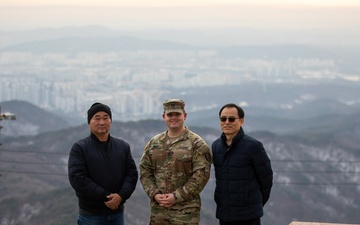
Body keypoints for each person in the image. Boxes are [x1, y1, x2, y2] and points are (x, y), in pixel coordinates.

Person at [139, 98, 212, 225]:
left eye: (177, 114)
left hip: (185, 212)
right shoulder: (154, 143)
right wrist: (154, 194)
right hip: (159, 210)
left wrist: (176, 197)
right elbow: (145, 171)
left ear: (184, 115)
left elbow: (201, 177)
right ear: (164, 116)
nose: (174, 118)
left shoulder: (197, 144)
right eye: (170, 115)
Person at [68, 102, 138, 225]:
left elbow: (131, 174)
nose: (102, 122)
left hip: (117, 213)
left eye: (106, 118)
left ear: (110, 121)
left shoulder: (123, 146)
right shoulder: (80, 148)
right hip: (91, 215)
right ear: (89, 121)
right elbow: (78, 179)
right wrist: (106, 197)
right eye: (97, 118)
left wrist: (121, 196)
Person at [212, 103, 273, 225]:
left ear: (241, 121)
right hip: (224, 215)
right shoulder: (216, 146)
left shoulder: (253, 146)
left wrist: (254, 203)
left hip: (248, 216)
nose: (227, 122)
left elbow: (266, 180)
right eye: (223, 119)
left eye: (231, 119)